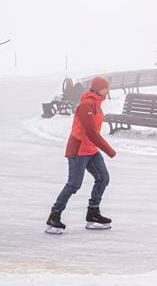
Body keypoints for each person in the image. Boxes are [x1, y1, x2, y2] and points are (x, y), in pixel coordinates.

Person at [46, 76, 117, 234]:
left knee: (103, 178)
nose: (108, 89)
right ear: (98, 88)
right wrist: (109, 150)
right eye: (105, 87)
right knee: (74, 184)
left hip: (90, 149)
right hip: (78, 149)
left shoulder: (97, 103)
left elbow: (92, 135)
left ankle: (93, 213)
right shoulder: (86, 105)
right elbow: (91, 133)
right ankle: (54, 215)